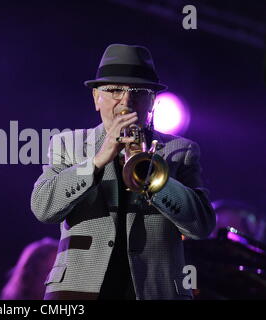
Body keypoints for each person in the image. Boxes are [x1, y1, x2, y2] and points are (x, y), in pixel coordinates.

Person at [30, 44, 216, 300]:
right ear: (96, 98)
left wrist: (152, 176)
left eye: (138, 92)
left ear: (151, 101)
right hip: (78, 291)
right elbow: (43, 208)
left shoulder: (179, 151)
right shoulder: (66, 144)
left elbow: (202, 226)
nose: (126, 102)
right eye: (115, 90)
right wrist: (96, 161)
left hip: (155, 291)